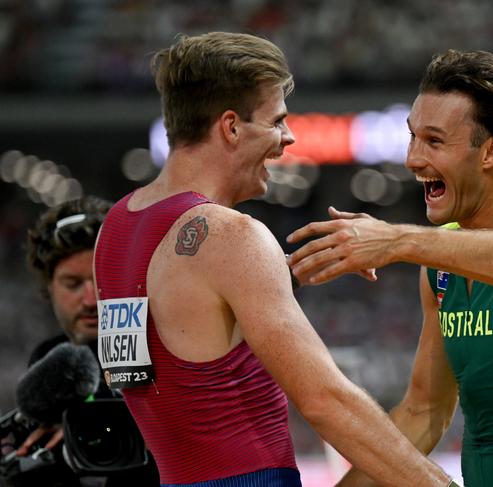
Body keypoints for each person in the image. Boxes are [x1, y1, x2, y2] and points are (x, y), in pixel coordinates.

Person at [92, 31, 453, 487]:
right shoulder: (232, 236)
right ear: (231, 127)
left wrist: (288, 273)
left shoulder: (116, 228)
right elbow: (326, 401)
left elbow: (172, 340)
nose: (289, 137)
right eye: (277, 120)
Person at [288, 49, 493, 487]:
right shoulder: (441, 268)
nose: (411, 159)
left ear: (492, 151)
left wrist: (400, 241)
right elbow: (424, 412)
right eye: (412, 137)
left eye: (434, 141)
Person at [11, 196, 160, 487]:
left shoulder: (168, 354)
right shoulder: (49, 361)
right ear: (48, 288)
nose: (91, 300)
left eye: (101, 277)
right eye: (73, 284)